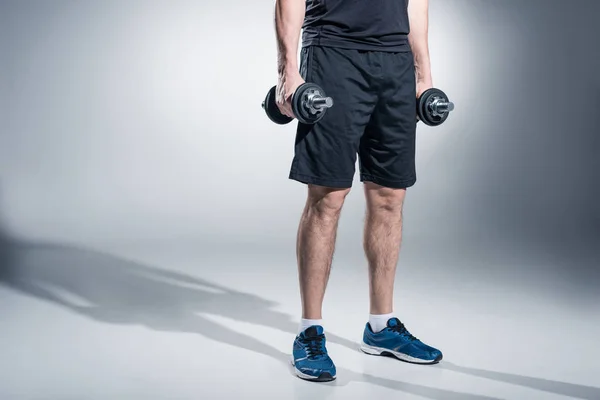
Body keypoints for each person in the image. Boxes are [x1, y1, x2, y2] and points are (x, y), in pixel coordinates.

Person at [274, 0, 442, 382]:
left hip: (395, 62)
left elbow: (416, 3)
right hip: (333, 53)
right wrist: (288, 70)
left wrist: (423, 75)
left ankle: (381, 327)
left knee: (389, 197)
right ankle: (309, 331)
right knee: (327, 196)